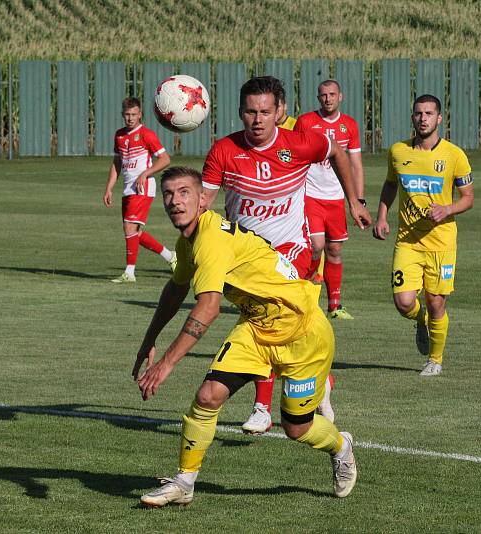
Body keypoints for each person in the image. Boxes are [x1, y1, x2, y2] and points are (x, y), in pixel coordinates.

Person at [133, 166, 357, 507]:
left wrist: (166, 364)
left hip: (303, 331)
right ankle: (185, 481)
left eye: (184, 193)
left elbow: (207, 309)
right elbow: (176, 288)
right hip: (256, 328)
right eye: (168, 194)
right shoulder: (189, 240)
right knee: (208, 396)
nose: (175, 202)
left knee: (296, 428)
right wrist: (150, 339)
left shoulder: (210, 239)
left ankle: (341, 446)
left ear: (203, 200)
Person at [201, 76, 372, 434]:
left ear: (280, 111)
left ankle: (262, 406)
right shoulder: (223, 151)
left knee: (266, 319)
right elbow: (204, 204)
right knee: (277, 326)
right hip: (245, 260)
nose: (258, 118)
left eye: (265, 111)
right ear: (240, 112)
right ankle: (319, 378)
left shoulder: (300, 142)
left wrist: (353, 200)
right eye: (250, 111)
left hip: (292, 252)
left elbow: (337, 152)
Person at [372, 94, 474, 376]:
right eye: (418, 113)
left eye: (429, 113)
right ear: (412, 117)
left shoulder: (454, 155)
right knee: (404, 302)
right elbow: (390, 185)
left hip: (441, 242)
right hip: (408, 239)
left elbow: (468, 198)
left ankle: (435, 359)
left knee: (435, 301)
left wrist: (448, 209)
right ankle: (421, 321)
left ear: (439, 118)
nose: (423, 118)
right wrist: (382, 216)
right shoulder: (398, 151)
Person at [296, 79, 366, 320]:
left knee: (334, 249)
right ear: (318, 98)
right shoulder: (305, 122)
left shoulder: (349, 126)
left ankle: (334, 306)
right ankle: (306, 299)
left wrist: (358, 200)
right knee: (315, 246)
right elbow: (295, 157)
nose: (328, 98)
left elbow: (355, 164)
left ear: (340, 97)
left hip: (336, 198)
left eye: (332, 94)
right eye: (323, 95)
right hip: (310, 195)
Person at [103, 97, 175, 283]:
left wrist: (145, 173)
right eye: (127, 115)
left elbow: (165, 159)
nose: (130, 118)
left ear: (140, 114)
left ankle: (129, 273)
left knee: (129, 227)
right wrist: (109, 187)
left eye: (134, 114)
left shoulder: (147, 134)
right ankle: (170, 256)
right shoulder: (119, 135)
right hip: (128, 189)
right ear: (122, 115)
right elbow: (117, 163)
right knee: (134, 232)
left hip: (143, 188)